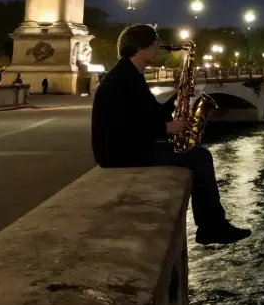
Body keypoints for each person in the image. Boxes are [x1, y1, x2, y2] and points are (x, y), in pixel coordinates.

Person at [91, 24, 250, 245]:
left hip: (126, 147)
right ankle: (211, 226)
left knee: (198, 155)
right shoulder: (123, 79)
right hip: (121, 153)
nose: (158, 50)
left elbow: (149, 113)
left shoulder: (129, 74)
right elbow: (124, 126)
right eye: (154, 45)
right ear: (140, 47)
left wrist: (179, 94)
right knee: (201, 158)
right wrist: (167, 128)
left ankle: (211, 224)